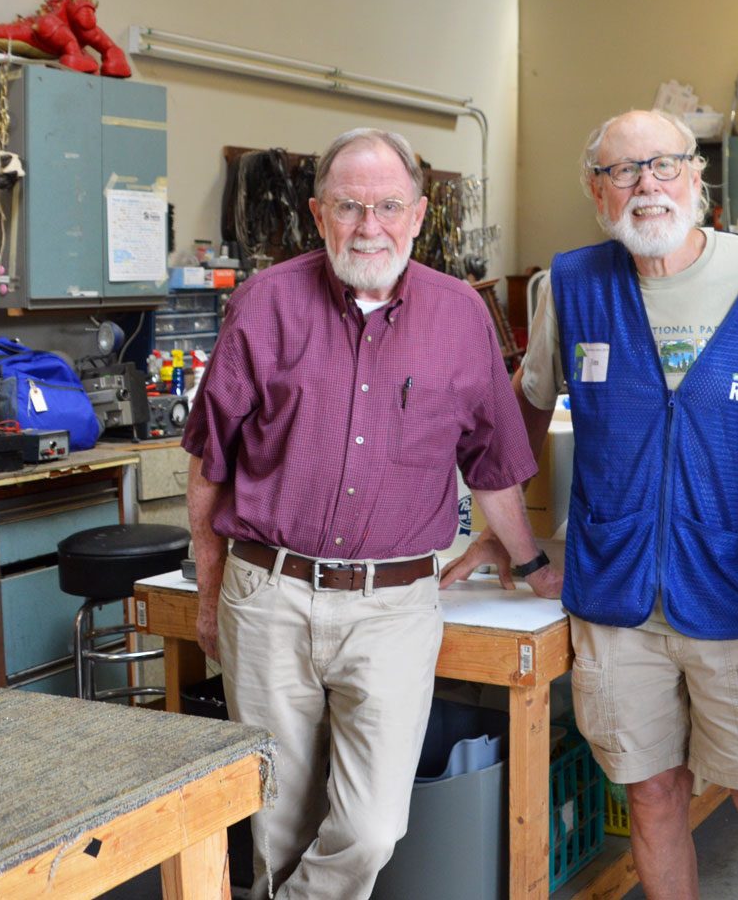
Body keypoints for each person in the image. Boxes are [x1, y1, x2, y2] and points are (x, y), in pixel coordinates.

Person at [442, 108, 738, 899]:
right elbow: (523, 403)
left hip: (736, 591)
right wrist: (502, 524)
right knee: (652, 798)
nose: (645, 185)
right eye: (622, 170)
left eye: (663, 165)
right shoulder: (573, 284)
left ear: (697, 180)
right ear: (596, 191)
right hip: (616, 607)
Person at [183, 127, 559, 898]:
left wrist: (530, 560)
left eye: (388, 205)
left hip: (393, 606)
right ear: (319, 214)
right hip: (269, 595)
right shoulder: (264, 303)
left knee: (371, 825)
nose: (369, 226)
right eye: (350, 207)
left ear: (419, 215)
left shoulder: (461, 317)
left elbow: (491, 465)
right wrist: (209, 588)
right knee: (277, 818)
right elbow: (208, 465)